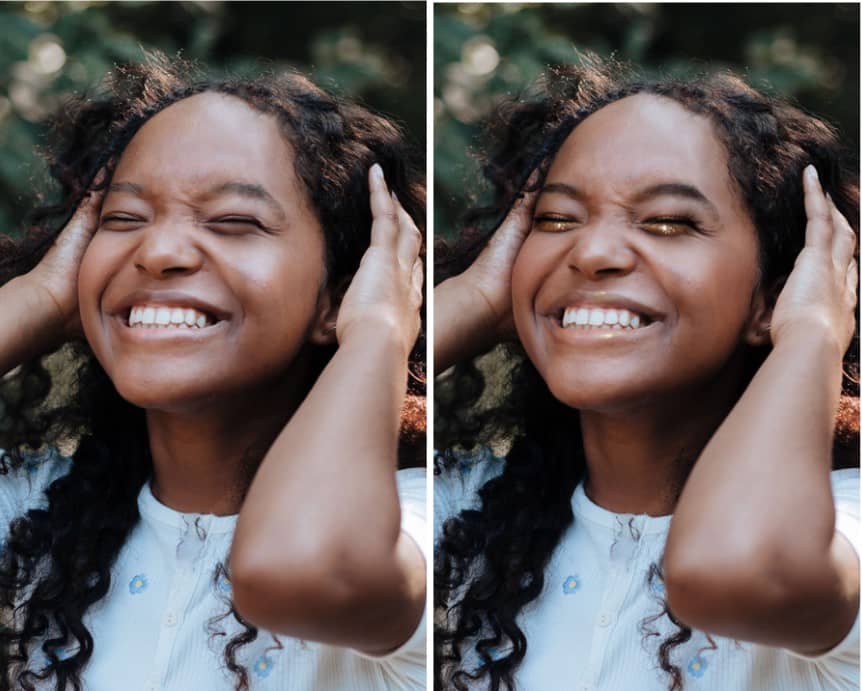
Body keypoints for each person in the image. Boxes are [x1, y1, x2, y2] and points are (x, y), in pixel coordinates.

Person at [0, 55, 427, 691]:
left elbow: (302, 566)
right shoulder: (30, 514)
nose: (160, 252)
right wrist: (42, 295)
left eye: (233, 221)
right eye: (123, 219)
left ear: (340, 295)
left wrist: (379, 332)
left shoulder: (416, 523)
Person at [434, 59, 859, 691]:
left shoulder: (845, 524)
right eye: (555, 220)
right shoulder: (457, 513)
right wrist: (466, 304)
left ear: (777, 295)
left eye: (667, 222)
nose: (594, 252)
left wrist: (813, 335)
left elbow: (740, 566)